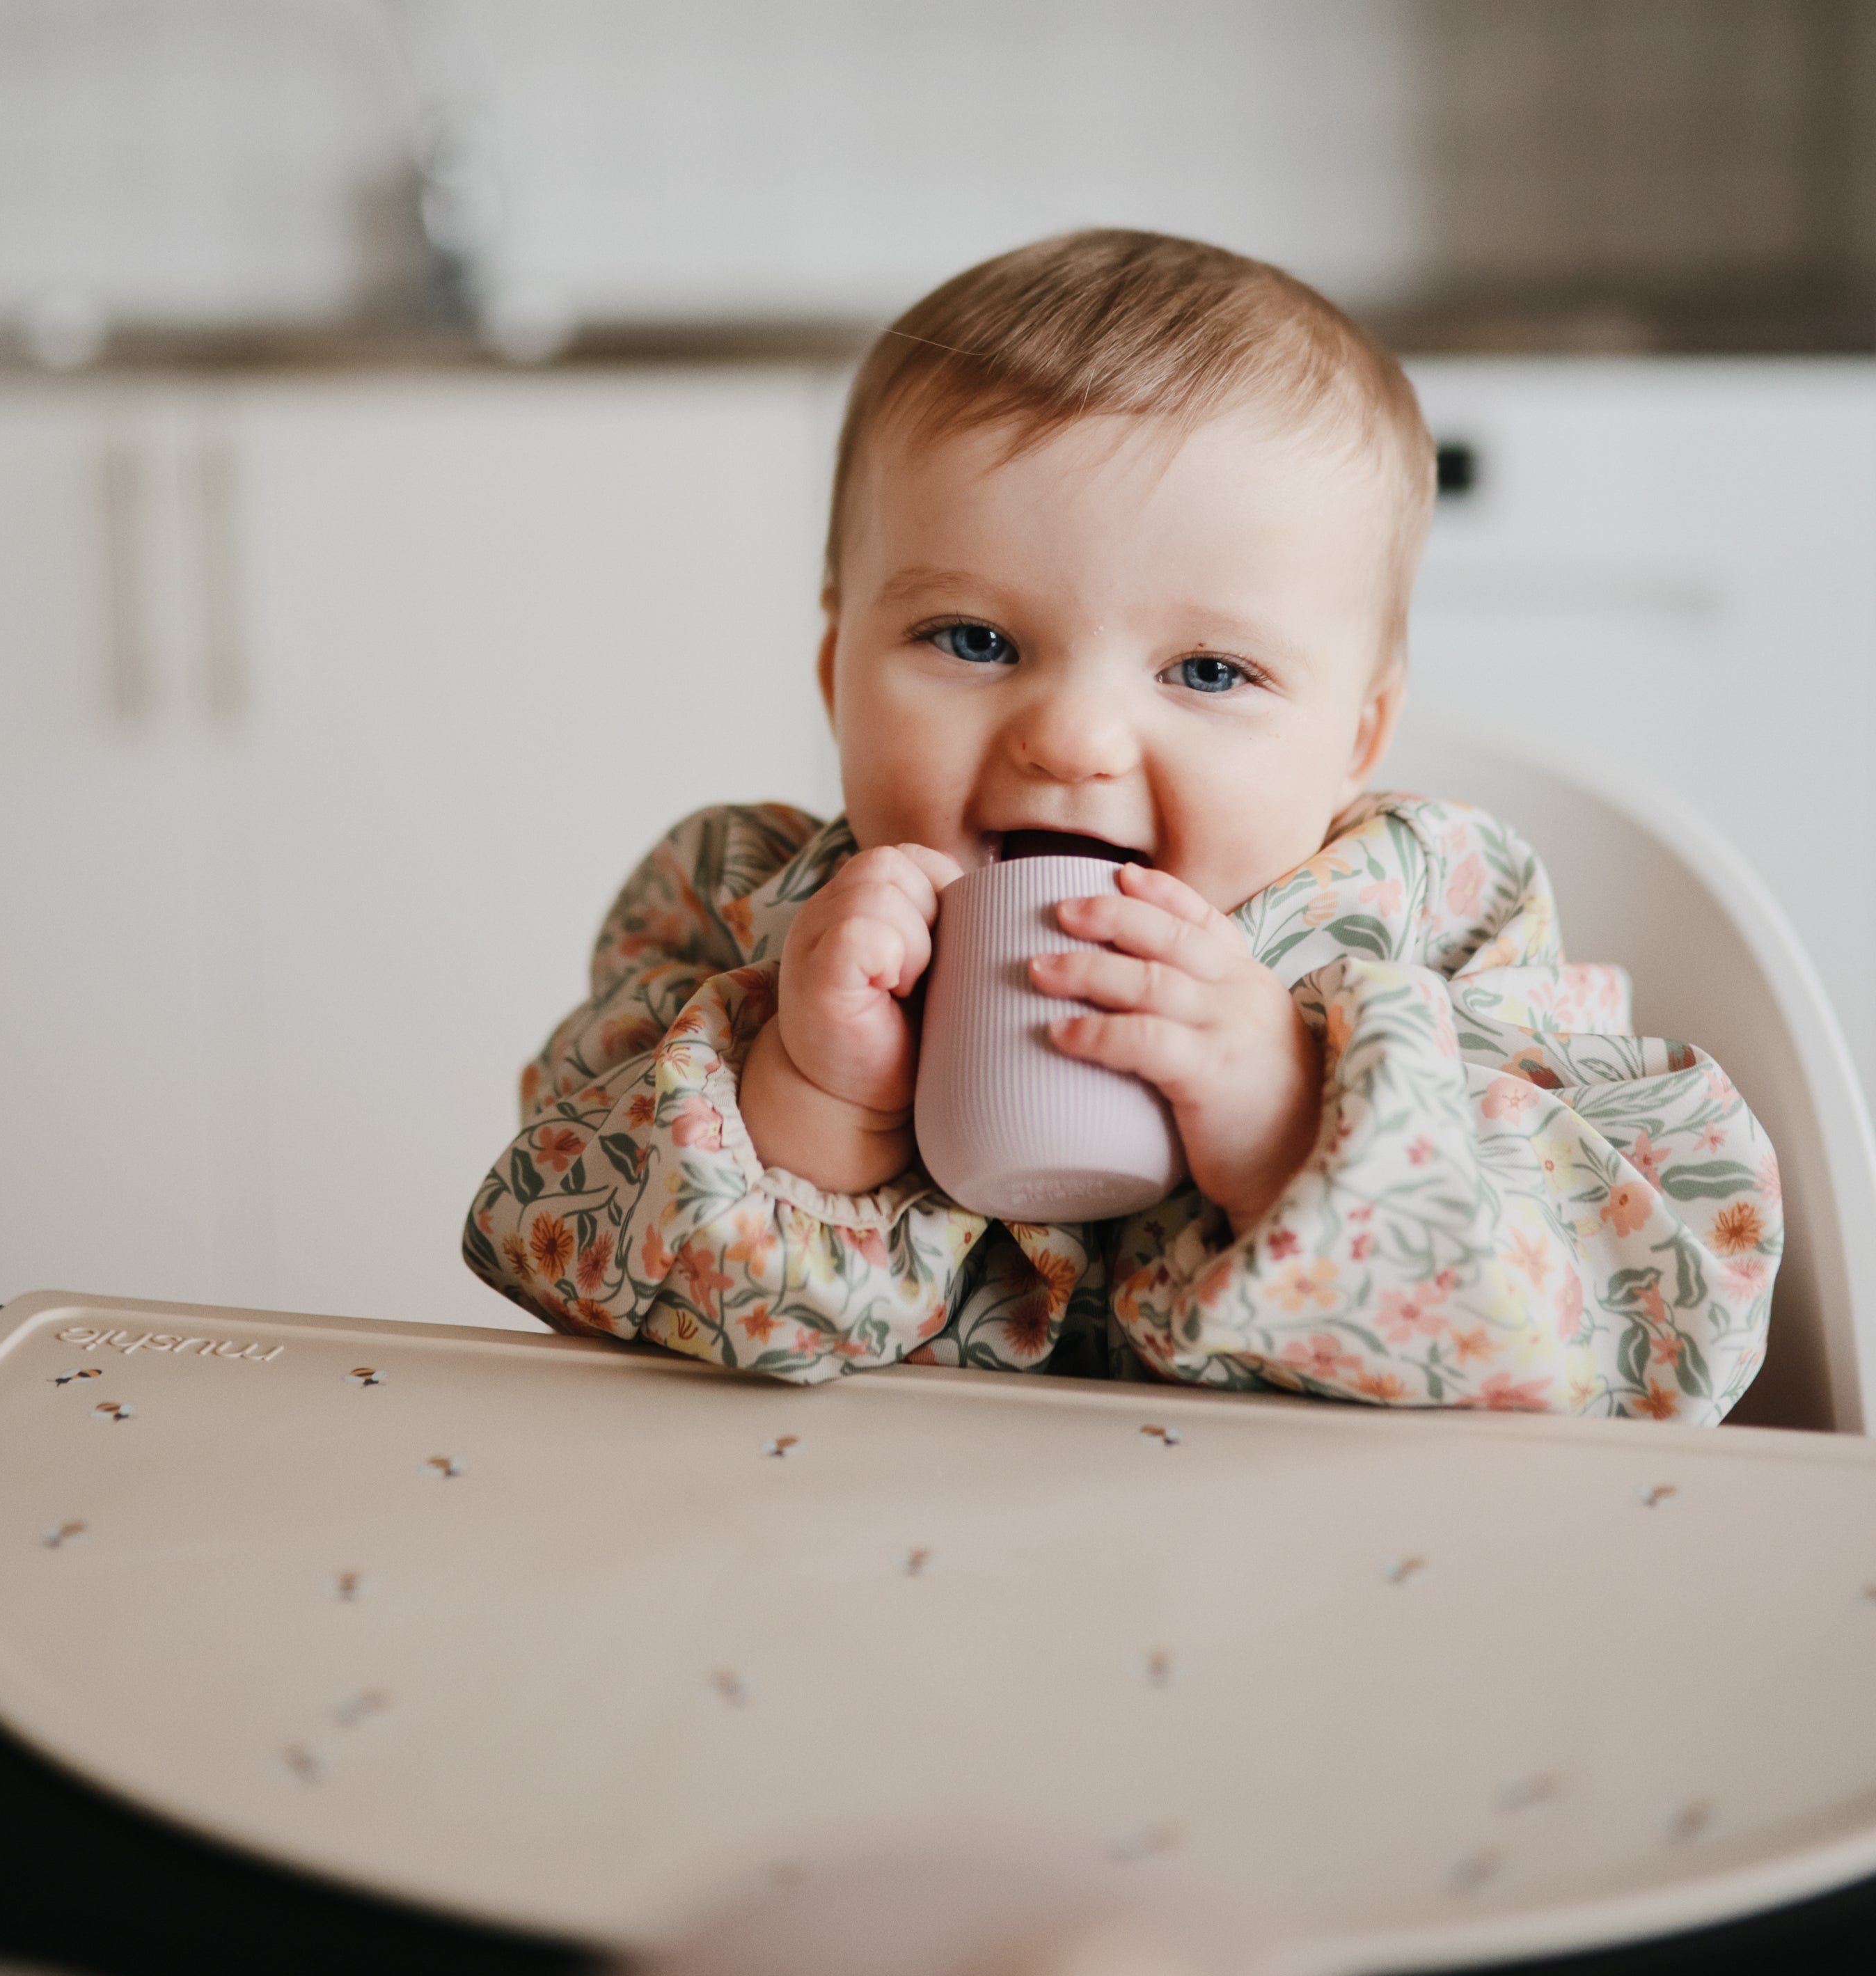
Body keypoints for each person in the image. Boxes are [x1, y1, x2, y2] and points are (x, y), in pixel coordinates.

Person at [464, 229, 1778, 1419]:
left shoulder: (1437, 928)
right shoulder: (743, 910)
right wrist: (806, 1097)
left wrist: (1296, 1120)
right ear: (833, 677)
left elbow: (1659, 1328)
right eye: (975, 640)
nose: (1073, 741)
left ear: (1358, 740)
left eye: (1210, 672)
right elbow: (562, 1251)